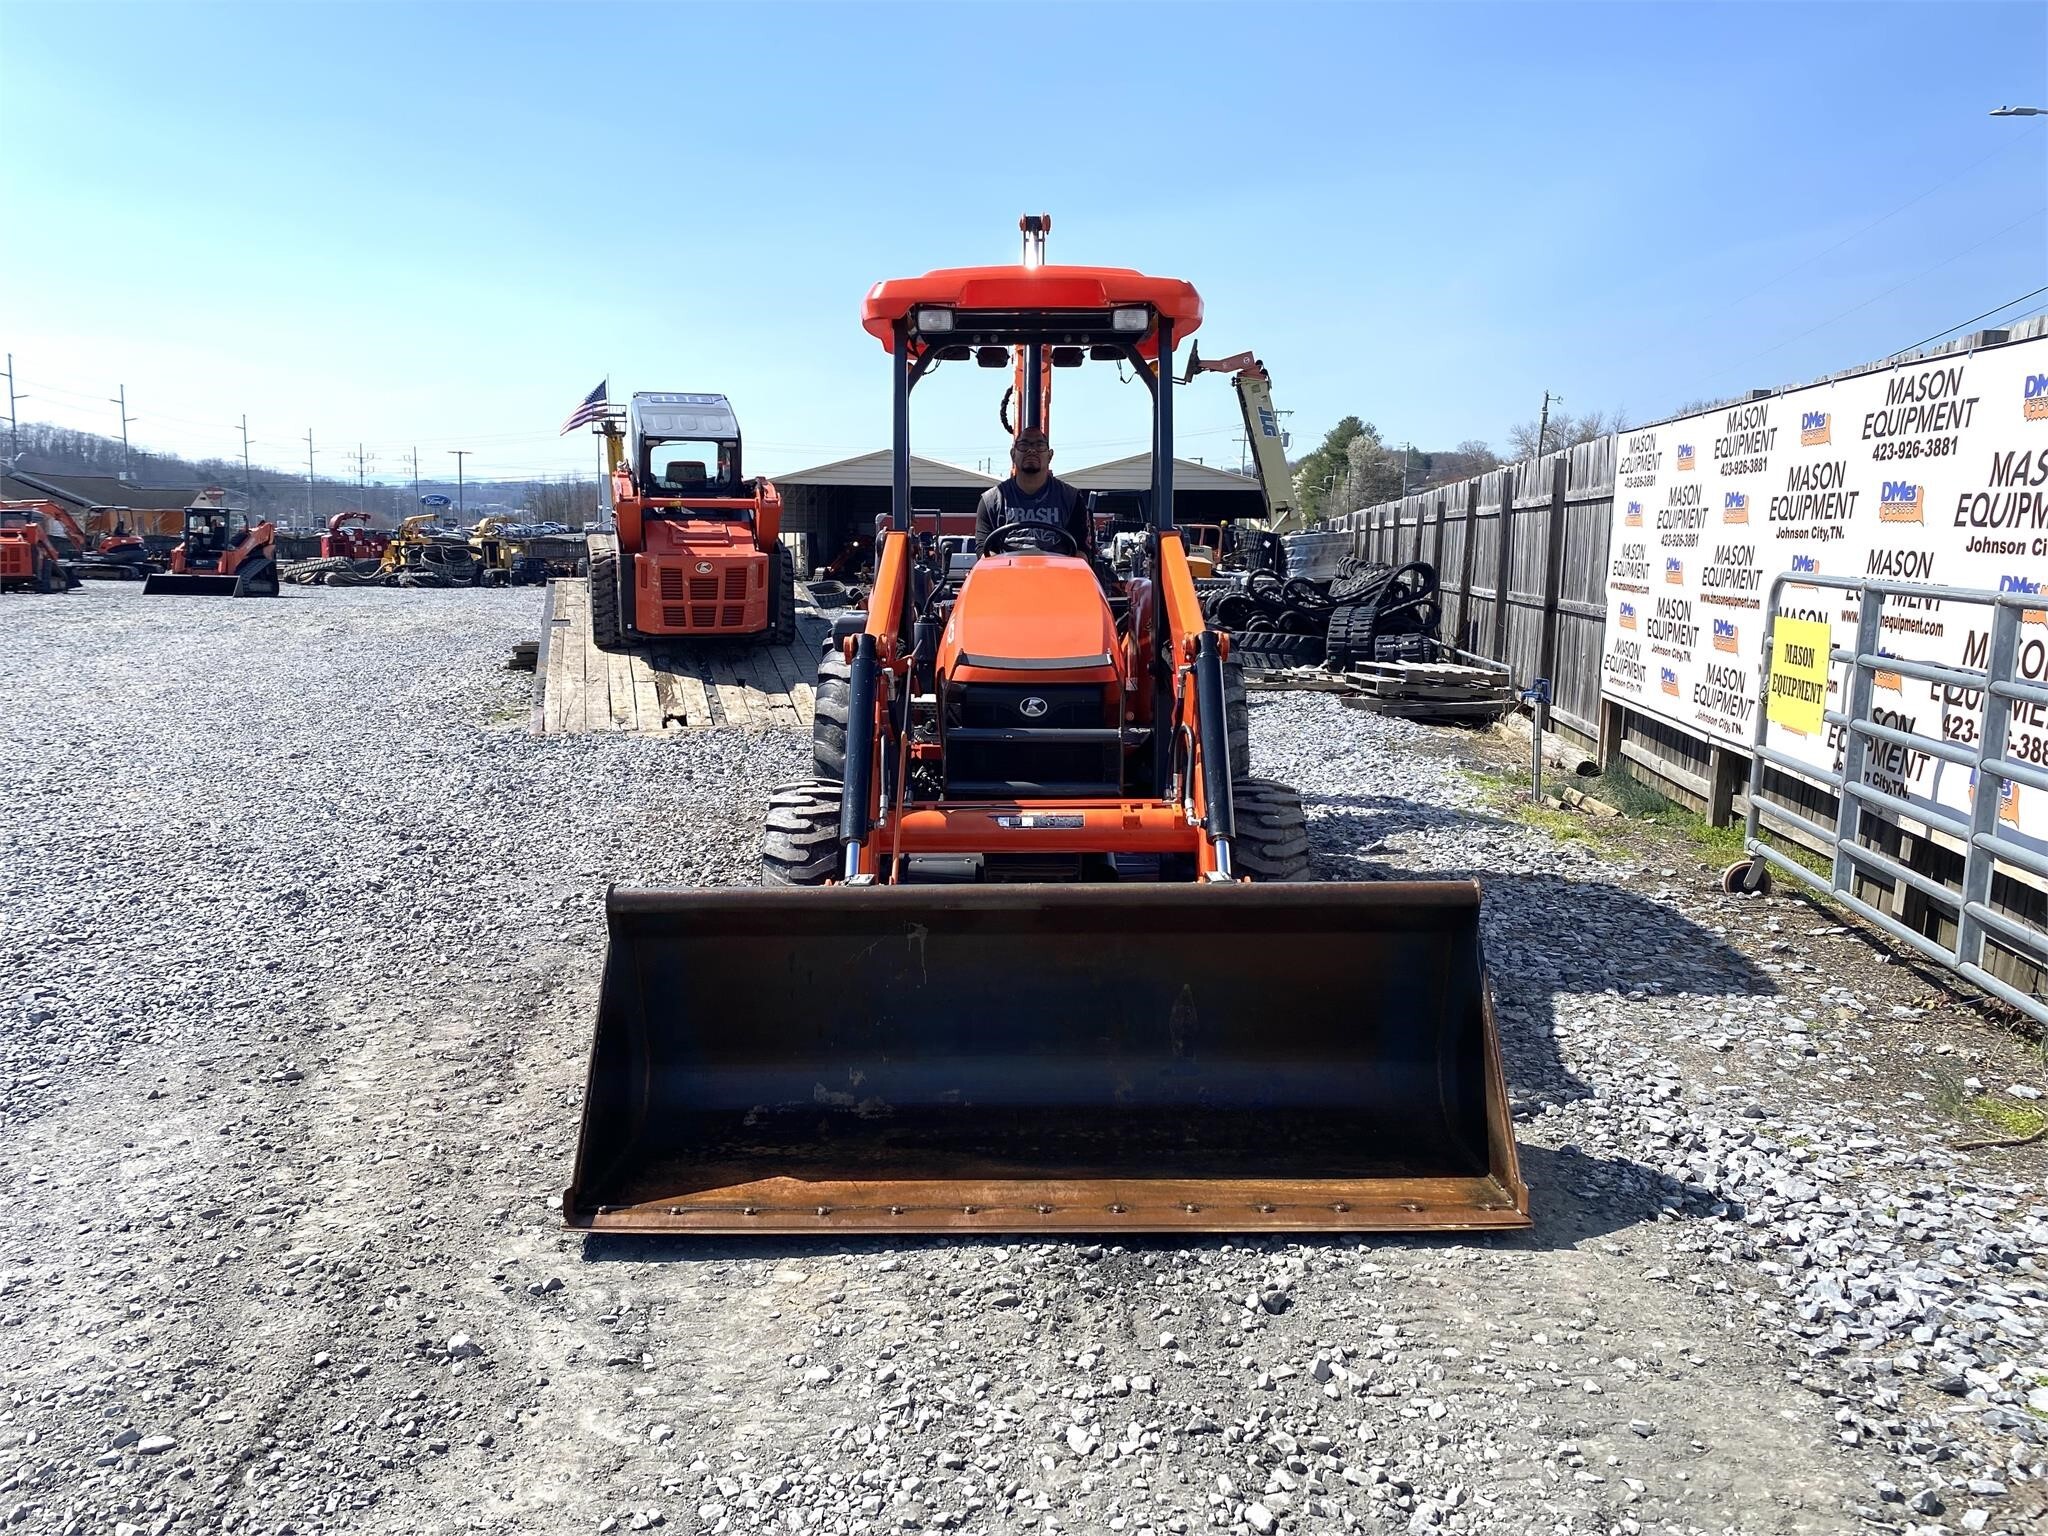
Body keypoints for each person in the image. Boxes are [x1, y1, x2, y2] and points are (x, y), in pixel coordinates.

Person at [973, 430, 1089, 552]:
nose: (1031, 450)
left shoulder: (1071, 498)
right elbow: (984, 550)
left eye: (1039, 445)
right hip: (1007, 569)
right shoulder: (990, 501)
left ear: (1050, 455)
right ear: (1013, 454)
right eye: (1024, 445)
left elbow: (1081, 550)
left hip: (1057, 569)